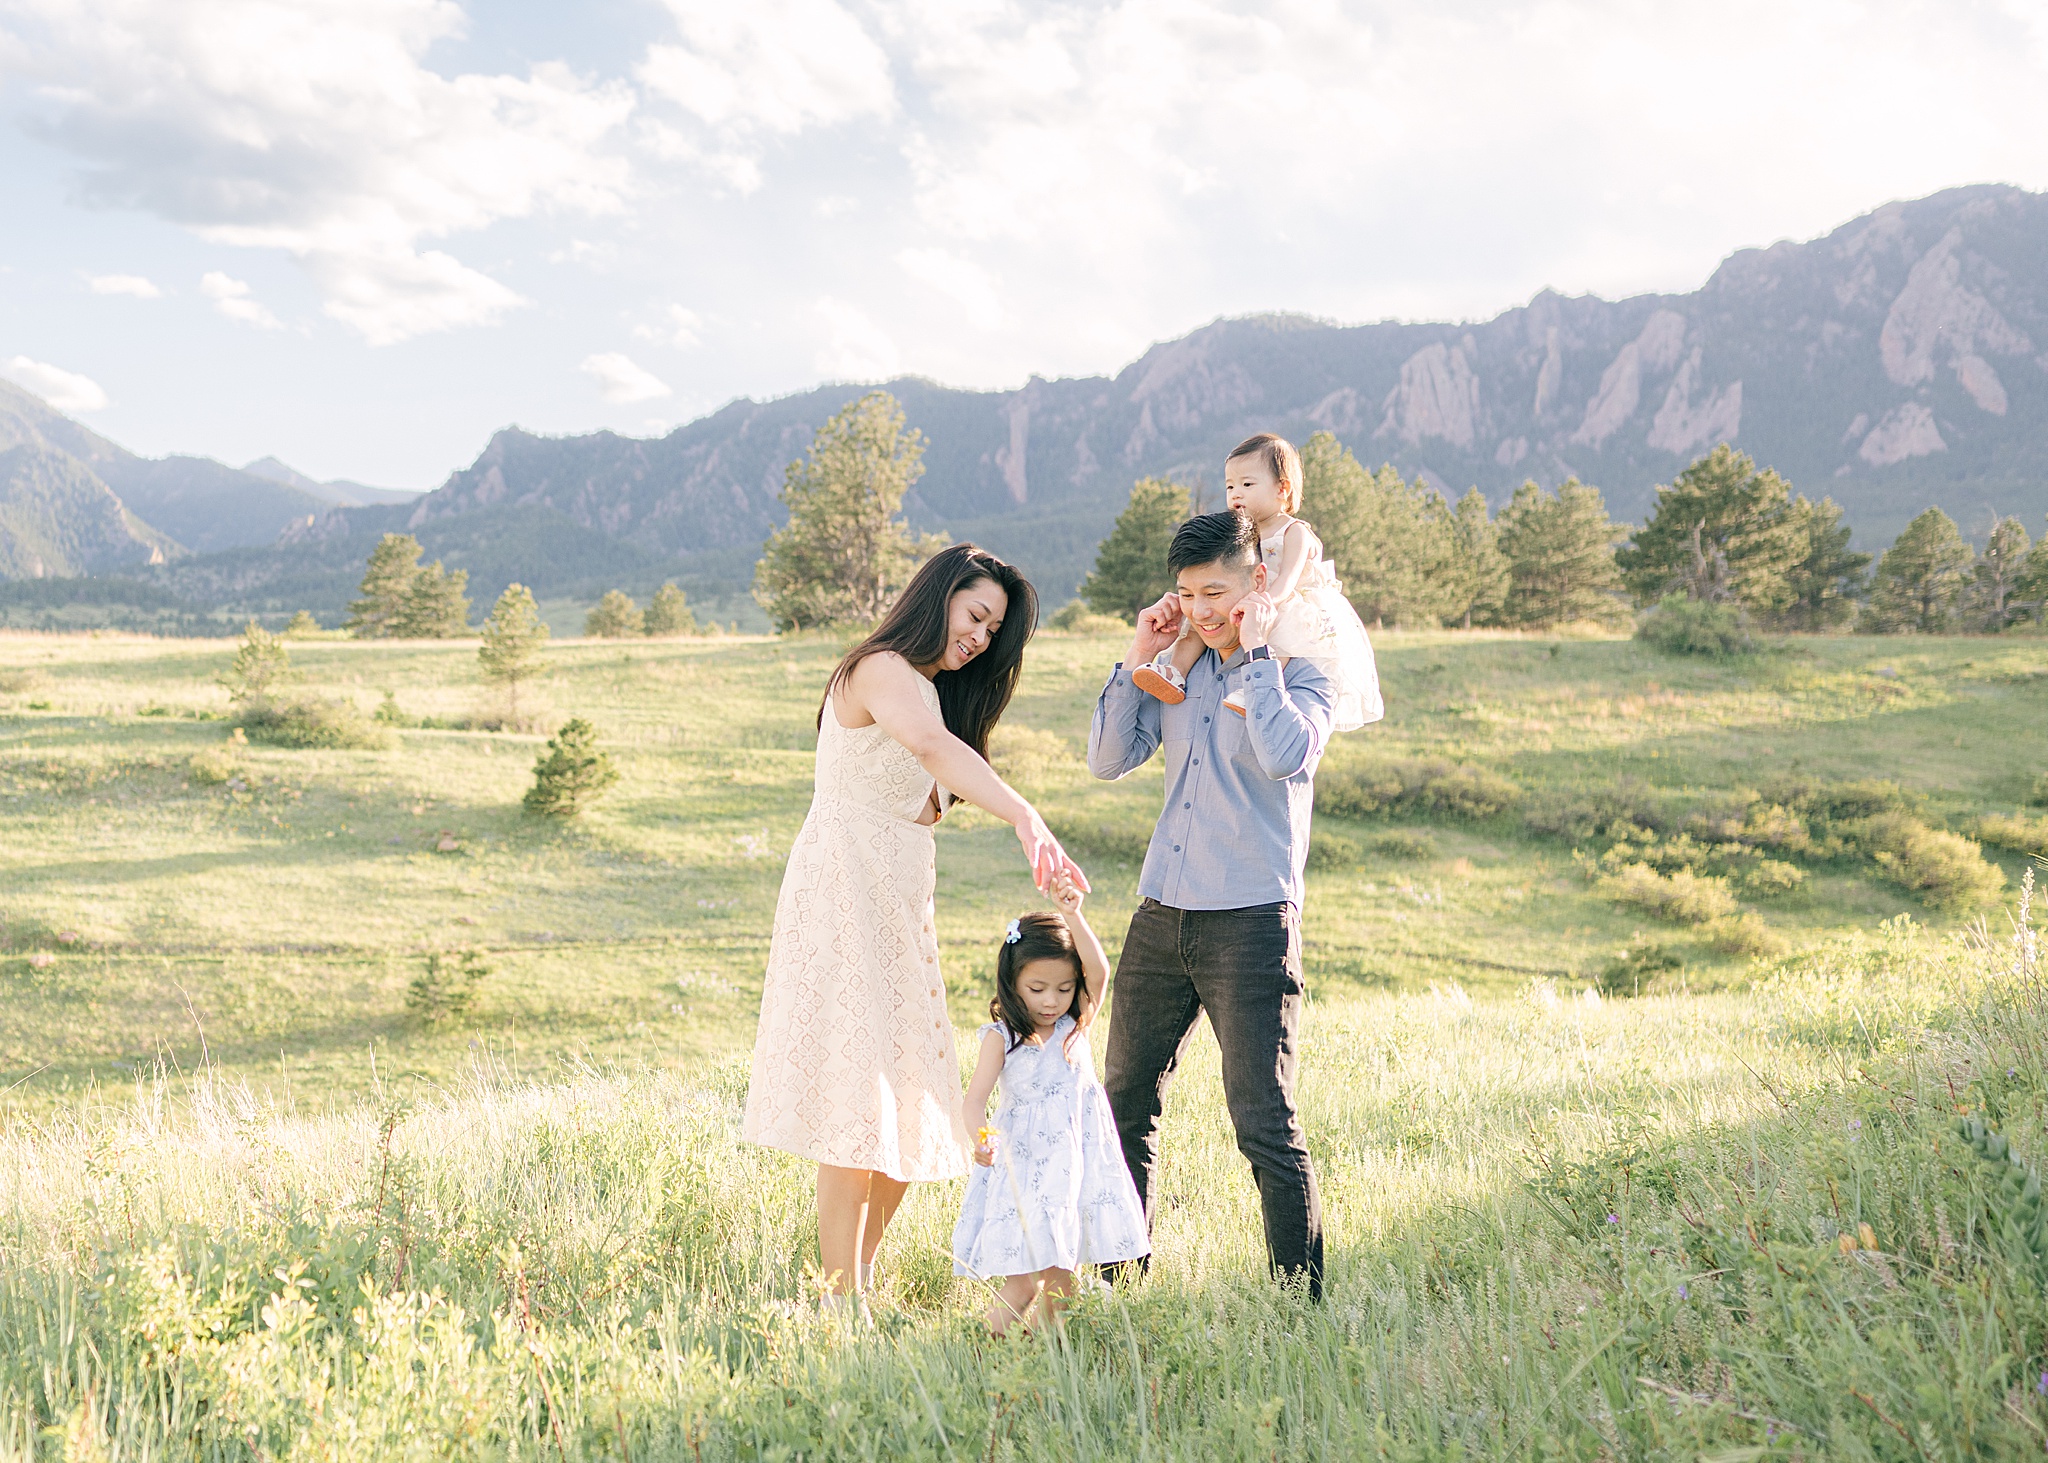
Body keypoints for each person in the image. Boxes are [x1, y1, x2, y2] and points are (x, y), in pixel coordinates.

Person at [742, 544, 1088, 1316]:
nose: (980, 637)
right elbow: (932, 752)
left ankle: (852, 1286)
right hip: (842, 896)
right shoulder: (882, 670)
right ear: (938, 596)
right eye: (975, 615)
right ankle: (840, 1301)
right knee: (853, 1103)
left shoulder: (933, 694)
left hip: (899, 907)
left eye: (994, 630)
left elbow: (933, 776)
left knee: (909, 1098)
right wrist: (1026, 817)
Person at [1087, 509, 1339, 1300]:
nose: (1200, 609)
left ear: (1257, 583)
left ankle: (1299, 1304)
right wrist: (1138, 654)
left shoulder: (1301, 673)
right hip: (1162, 914)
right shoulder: (1176, 668)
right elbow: (1106, 758)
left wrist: (1256, 652)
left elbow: (1284, 754)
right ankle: (1120, 1281)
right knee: (1124, 1102)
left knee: (1262, 1116)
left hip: (1252, 921)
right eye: (1188, 593)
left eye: (1217, 591)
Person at [951, 875, 1150, 1334]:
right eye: (1037, 988)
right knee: (1022, 1284)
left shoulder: (1074, 1025)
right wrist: (981, 1140)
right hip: (1024, 1169)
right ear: (1012, 981)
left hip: (1072, 1168)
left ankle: (1031, 1361)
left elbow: (1099, 972)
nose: (1051, 1001)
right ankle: (983, 1355)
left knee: (1062, 1285)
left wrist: (1073, 914)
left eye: (1063, 988)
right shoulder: (1002, 1040)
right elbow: (973, 1103)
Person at [1130, 432, 1382, 732]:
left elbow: (1287, 581)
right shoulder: (1241, 536)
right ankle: (1173, 672)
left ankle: (1258, 689)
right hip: (1253, 595)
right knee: (1198, 621)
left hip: (1286, 600)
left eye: (1247, 484)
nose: (1236, 493)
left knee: (1285, 635)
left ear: (1282, 489)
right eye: (1230, 486)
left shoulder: (1295, 532)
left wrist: (1263, 604)